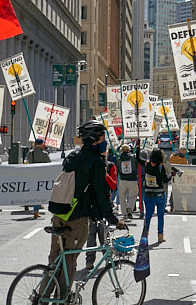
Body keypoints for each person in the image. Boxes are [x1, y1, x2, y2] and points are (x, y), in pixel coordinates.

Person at [45, 120, 125, 295]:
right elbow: (101, 194)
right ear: (95, 140)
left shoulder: (73, 157)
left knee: (55, 258)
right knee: (70, 259)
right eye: (103, 138)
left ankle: (42, 296)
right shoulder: (96, 162)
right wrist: (112, 219)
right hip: (76, 217)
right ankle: (63, 296)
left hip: (59, 213)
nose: (105, 141)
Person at [85, 145, 117, 270]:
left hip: (104, 205)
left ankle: (107, 260)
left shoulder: (110, 166)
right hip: (91, 206)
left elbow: (113, 186)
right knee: (90, 235)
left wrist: (105, 175)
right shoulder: (90, 165)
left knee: (103, 235)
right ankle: (89, 261)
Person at [144, 148, 171, 243]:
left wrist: (138, 147)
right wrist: (171, 175)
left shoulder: (147, 165)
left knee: (148, 215)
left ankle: (145, 234)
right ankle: (160, 236)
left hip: (148, 192)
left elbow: (138, 158)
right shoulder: (160, 167)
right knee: (160, 216)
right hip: (159, 193)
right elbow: (165, 180)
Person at [116, 143, 145, 219]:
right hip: (132, 179)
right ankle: (130, 208)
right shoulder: (133, 158)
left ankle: (124, 213)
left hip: (123, 180)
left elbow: (118, 169)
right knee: (133, 196)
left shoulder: (119, 159)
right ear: (129, 150)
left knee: (122, 197)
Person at [26, 138, 51, 219]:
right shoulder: (44, 154)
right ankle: (37, 209)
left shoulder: (30, 153)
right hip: (42, 175)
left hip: (32, 174)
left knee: (33, 191)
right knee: (40, 191)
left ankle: (33, 207)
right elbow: (49, 163)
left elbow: (27, 161)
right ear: (41, 144)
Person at [168, 147, 188, 212]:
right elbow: (185, 167)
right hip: (179, 176)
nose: (185, 153)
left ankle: (172, 204)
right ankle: (176, 204)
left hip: (173, 175)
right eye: (185, 152)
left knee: (174, 190)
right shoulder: (183, 158)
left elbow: (170, 165)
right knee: (179, 190)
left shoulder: (172, 156)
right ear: (182, 151)